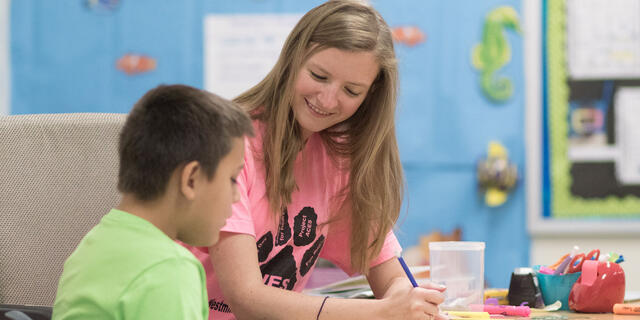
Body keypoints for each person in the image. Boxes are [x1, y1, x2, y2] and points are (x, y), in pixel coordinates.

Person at [186, 1, 447, 319]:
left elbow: (390, 275)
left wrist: (407, 300)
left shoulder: (338, 159)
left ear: (370, 97)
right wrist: (381, 313)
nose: (327, 100)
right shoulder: (226, 141)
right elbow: (246, 298)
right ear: (293, 57)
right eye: (319, 75)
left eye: (351, 91)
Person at [52, 84, 254, 320]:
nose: (237, 196)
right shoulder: (169, 269)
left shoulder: (93, 243)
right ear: (191, 180)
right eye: (232, 179)